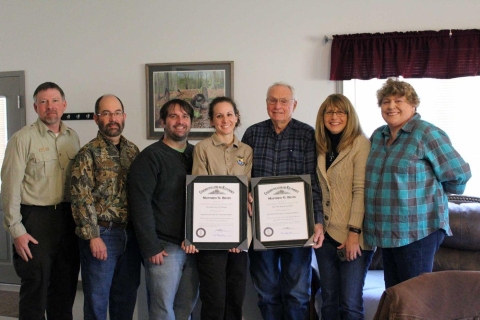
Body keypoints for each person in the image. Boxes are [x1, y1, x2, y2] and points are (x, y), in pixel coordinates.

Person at [364, 78, 472, 289]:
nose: (391, 106)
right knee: (394, 295)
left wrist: (436, 194)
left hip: (418, 230)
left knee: (415, 297)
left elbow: (459, 173)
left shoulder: (426, 133)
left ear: (413, 105)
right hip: (386, 231)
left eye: (398, 101)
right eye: (386, 101)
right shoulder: (378, 135)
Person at [242, 82, 324, 320]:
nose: (277, 106)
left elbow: (314, 182)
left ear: (294, 105)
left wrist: (317, 221)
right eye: (272, 100)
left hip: (297, 226)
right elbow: (244, 176)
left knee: (297, 294)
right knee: (266, 292)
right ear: (266, 103)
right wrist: (245, 191)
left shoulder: (308, 135)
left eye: (284, 101)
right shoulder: (252, 133)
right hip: (261, 226)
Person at [1, 82, 80, 319]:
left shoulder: (72, 137)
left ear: (64, 105)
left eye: (55, 101)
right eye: (43, 102)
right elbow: (10, 188)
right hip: (35, 220)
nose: (50, 107)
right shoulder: (22, 139)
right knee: (35, 289)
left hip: (67, 219)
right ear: (36, 107)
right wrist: (17, 231)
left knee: (65, 289)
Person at [70, 94, 141, 320]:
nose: (113, 118)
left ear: (124, 116)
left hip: (130, 236)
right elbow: (81, 197)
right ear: (96, 118)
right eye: (106, 113)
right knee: (97, 301)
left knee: (126, 298)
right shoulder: (87, 153)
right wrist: (93, 236)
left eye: (117, 113)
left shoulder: (133, 151)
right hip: (102, 235)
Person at [128, 98, 199, 320]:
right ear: (163, 122)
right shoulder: (150, 157)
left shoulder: (198, 155)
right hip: (164, 248)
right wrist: (151, 247)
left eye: (185, 116)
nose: (180, 121)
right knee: (162, 310)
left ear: (191, 123)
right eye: (173, 116)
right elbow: (140, 204)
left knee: (185, 307)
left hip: (195, 246)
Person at [184, 96, 252, 320]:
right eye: (219, 115)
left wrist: (236, 236)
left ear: (237, 117)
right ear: (212, 120)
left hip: (240, 236)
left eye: (229, 114)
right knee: (214, 299)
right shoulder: (202, 149)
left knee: (235, 298)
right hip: (212, 236)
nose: (225, 120)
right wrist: (225, 236)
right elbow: (202, 194)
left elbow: (246, 192)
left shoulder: (246, 151)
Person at [314, 94, 374, 319]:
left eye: (340, 112)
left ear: (350, 116)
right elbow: (317, 190)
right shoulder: (320, 145)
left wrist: (353, 233)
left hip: (353, 237)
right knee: (328, 300)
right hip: (325, 236)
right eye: (329, 112)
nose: (334, 117)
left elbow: (361, 191)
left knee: (349, 303)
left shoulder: (360, 143)